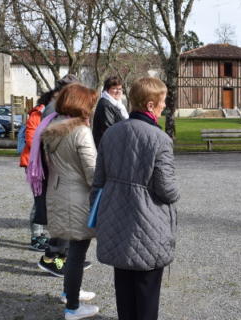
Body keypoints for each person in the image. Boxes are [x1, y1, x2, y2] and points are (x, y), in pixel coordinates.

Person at [91, 77, 179, 320]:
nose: (165, 107)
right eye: (162, 102)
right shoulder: (160, 139)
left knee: (124, 290)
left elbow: (98, 181)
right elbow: (166, 189)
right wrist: (177, 192)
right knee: (147, 292)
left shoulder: (110, 135)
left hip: (116, 221)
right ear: (150, 105)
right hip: (148, 225)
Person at [40, 83, 100, 319]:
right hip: (77, 197)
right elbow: (93, 172)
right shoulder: (80, 132)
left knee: (72, 250)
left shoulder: (53, 128)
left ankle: (70, 292)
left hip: (58, 193)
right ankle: (73, 307)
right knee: (77, 251)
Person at [20, 91, 54, 251]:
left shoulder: (52, 114)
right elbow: (30, 139)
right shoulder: (37, 114)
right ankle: (36, 237)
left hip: (44, 163)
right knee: (38, 200)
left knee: (44, 200)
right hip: (34, 164)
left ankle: (40, 234)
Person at [92, 76, 128, 147]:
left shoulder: (117, 104)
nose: (118, 91)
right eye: (114, 88)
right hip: (107, 146)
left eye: (120, 89)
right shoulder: (105, 105)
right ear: (107, 90)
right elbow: (109, 129)